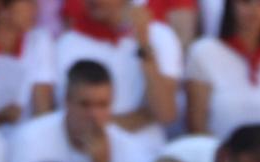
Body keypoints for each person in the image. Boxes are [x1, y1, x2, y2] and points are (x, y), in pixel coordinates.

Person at [9, 59, 150, 162]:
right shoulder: (31, 140)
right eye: (85, 105)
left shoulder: (130, 147)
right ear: (67, 101)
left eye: (102, 105)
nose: (94, 115)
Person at [54, 0, 183, 144]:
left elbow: (166, 113)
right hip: (86, 148)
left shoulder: (160, 35)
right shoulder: (67, 43)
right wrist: (136, 119)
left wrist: (143, 44)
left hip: (144, 148)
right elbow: (72, 114)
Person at [185, 0, 260, 139]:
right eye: (246, 2)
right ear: (231, 6)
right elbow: (197, 126)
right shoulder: (204, 52)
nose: (254, 10)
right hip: (215, 155)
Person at [0, 0, 58, 131]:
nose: (35, 8)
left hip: (28, 141)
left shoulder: (39, 41)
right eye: (28, 2)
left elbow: (43, 109)